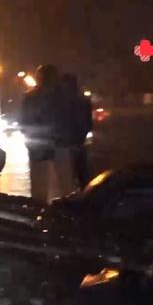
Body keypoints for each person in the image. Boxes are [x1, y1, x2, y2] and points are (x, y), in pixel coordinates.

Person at [21, 64, 67, 203]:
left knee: (39, 188)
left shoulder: (31, 97)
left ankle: (40, 210)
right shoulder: (63, 97)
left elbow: (24, 121)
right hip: (60, 144)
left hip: (38, 145)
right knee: (66, 186)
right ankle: (66, 211)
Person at [59, 73, 93, 187]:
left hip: (66, 142)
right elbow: (88, 123)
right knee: (81, 170)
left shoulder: (62, 102)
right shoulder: (83, 101)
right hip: (79, 141)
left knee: (67, 174)